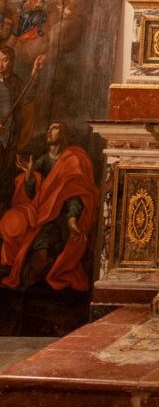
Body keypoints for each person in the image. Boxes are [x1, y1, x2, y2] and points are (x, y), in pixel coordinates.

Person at [0, 120, 98, 290]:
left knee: (39, 245)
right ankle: (11, 266)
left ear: (64, 134)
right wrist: (30, 176)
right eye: (49, 128)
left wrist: (72, 218)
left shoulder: (72, 159)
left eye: (55, 128)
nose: (49, 131)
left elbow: (75, 191)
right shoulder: (43, 160)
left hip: (60, 217)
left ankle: (32, 272)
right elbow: (33, 194)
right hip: (42, 213)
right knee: (15, 221)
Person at [0, 45, 46, 214]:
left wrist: (35, 71)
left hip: (10, 138)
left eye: (4, 60)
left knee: (6, 177)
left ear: (11, 62)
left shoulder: (16, 81)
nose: (1, 65)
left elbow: (28, 96)